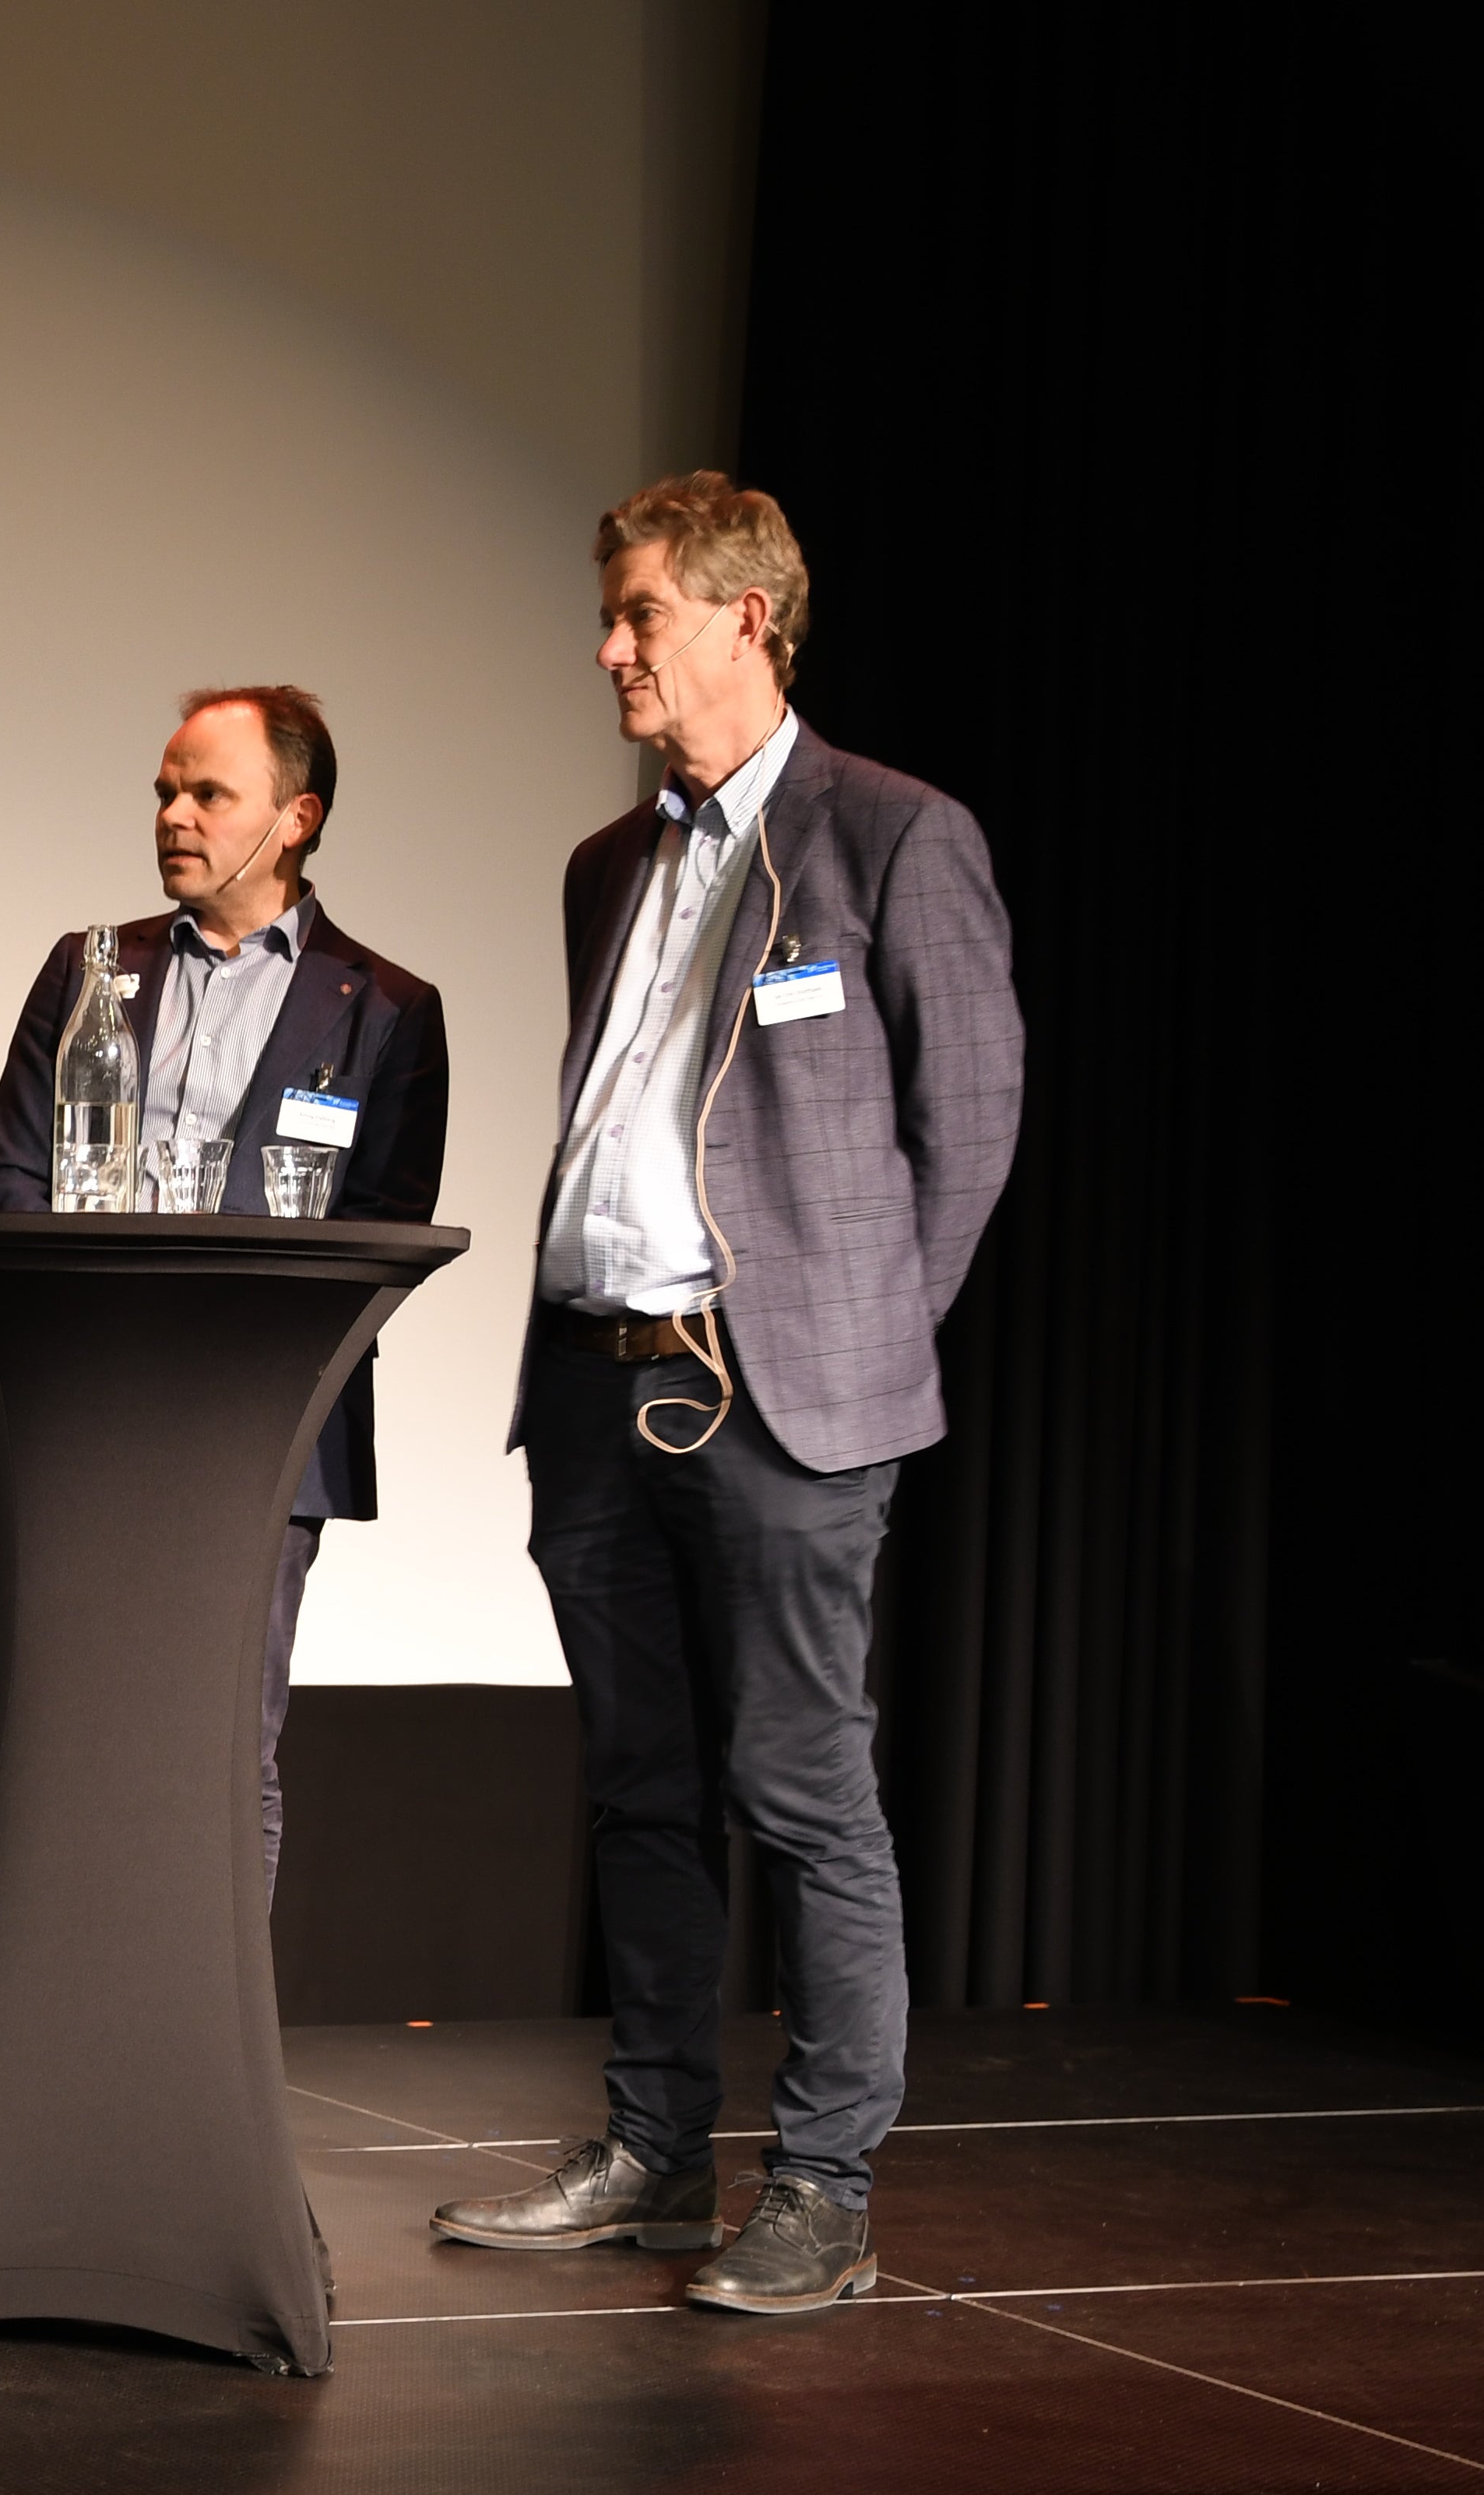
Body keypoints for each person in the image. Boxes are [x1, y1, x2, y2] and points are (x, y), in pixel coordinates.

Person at [431, 473, 1021, 2314]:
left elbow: (969, 1129)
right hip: (600, 1385)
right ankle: (657, 2146)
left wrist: (850, 1346)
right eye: (611, 616)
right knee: (641, 1785)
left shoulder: (894, 835)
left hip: (778, 1402)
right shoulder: (607, 864)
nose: (610, 649)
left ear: (746, 617)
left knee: (802, 1788)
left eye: (641, 615)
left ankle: (826, 2185)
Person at [0, 684, 451, 1936]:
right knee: (64, 1737)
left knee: (229, 1751)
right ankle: (55, 2026)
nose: (174, 816)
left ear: (296, 818)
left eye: (208, 794)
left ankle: (202, 2044)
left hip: (261, 1433)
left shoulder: (387, 1008)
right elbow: (11, 1180)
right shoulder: (94, 969)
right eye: (165, 793)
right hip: (89, 1416)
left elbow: (382, 1243)